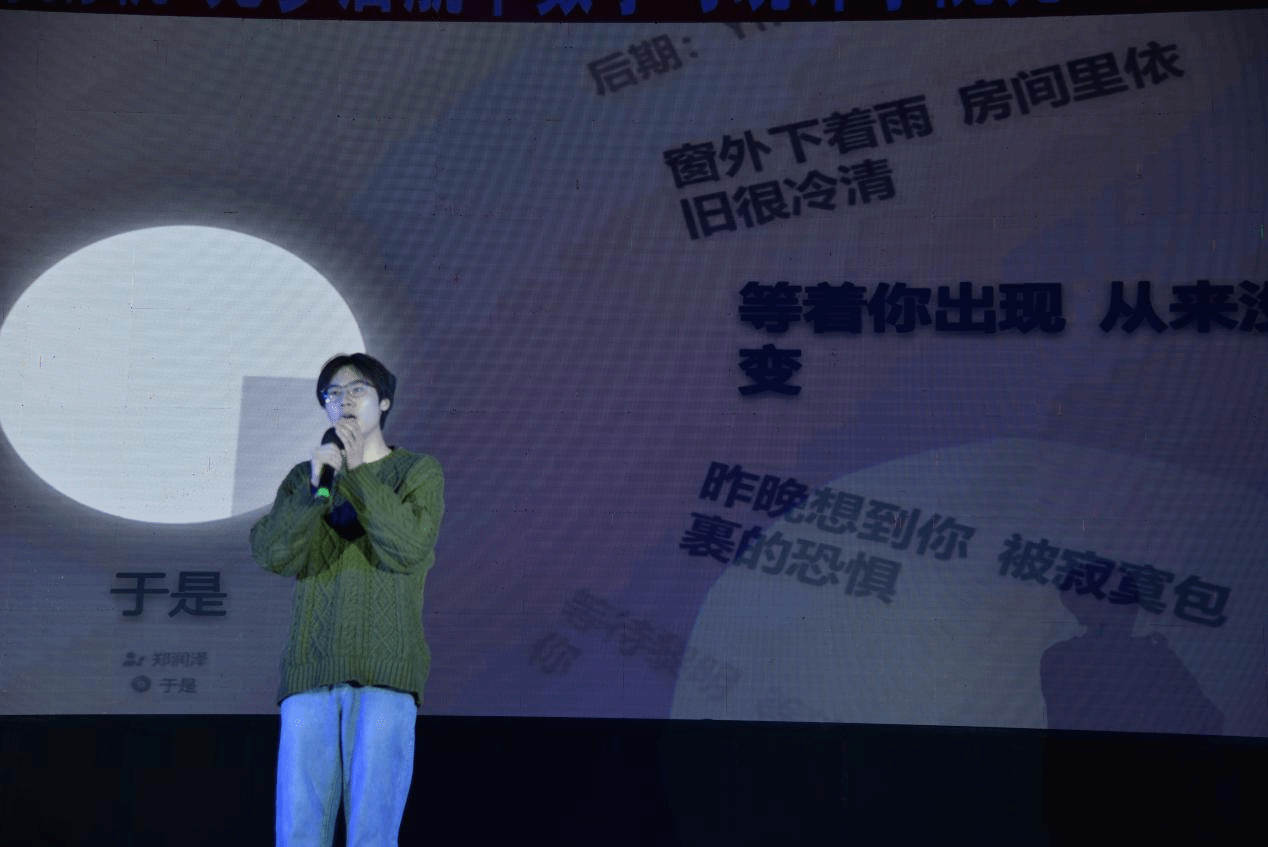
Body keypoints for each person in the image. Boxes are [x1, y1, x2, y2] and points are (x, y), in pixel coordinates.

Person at [250, 353, 444, 847]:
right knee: (298, 832)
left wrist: (357, 473)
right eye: (332, 394)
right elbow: (273, 553)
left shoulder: (417, 471)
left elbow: (408, 548)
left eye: (357, 390)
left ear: (384, 401)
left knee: (372, 835)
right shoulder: (309, 475)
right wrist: (317, 489)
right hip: (310, 672)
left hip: (385, 672)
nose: (344, 401)